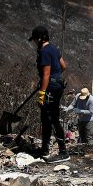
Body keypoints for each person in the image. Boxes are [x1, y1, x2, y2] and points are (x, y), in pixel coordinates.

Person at [29, 25, 69, 162]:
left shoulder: (45, 51)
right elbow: (63, 66)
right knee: (46, 118)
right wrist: (56, 77)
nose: (34, 42)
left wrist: (42, 93)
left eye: (34, 40)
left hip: (50, 88)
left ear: (40, 39)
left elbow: (46, 74)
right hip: (57, 85)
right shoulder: (54, 49)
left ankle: (63, 152)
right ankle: (44, 149)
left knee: (53, 119)